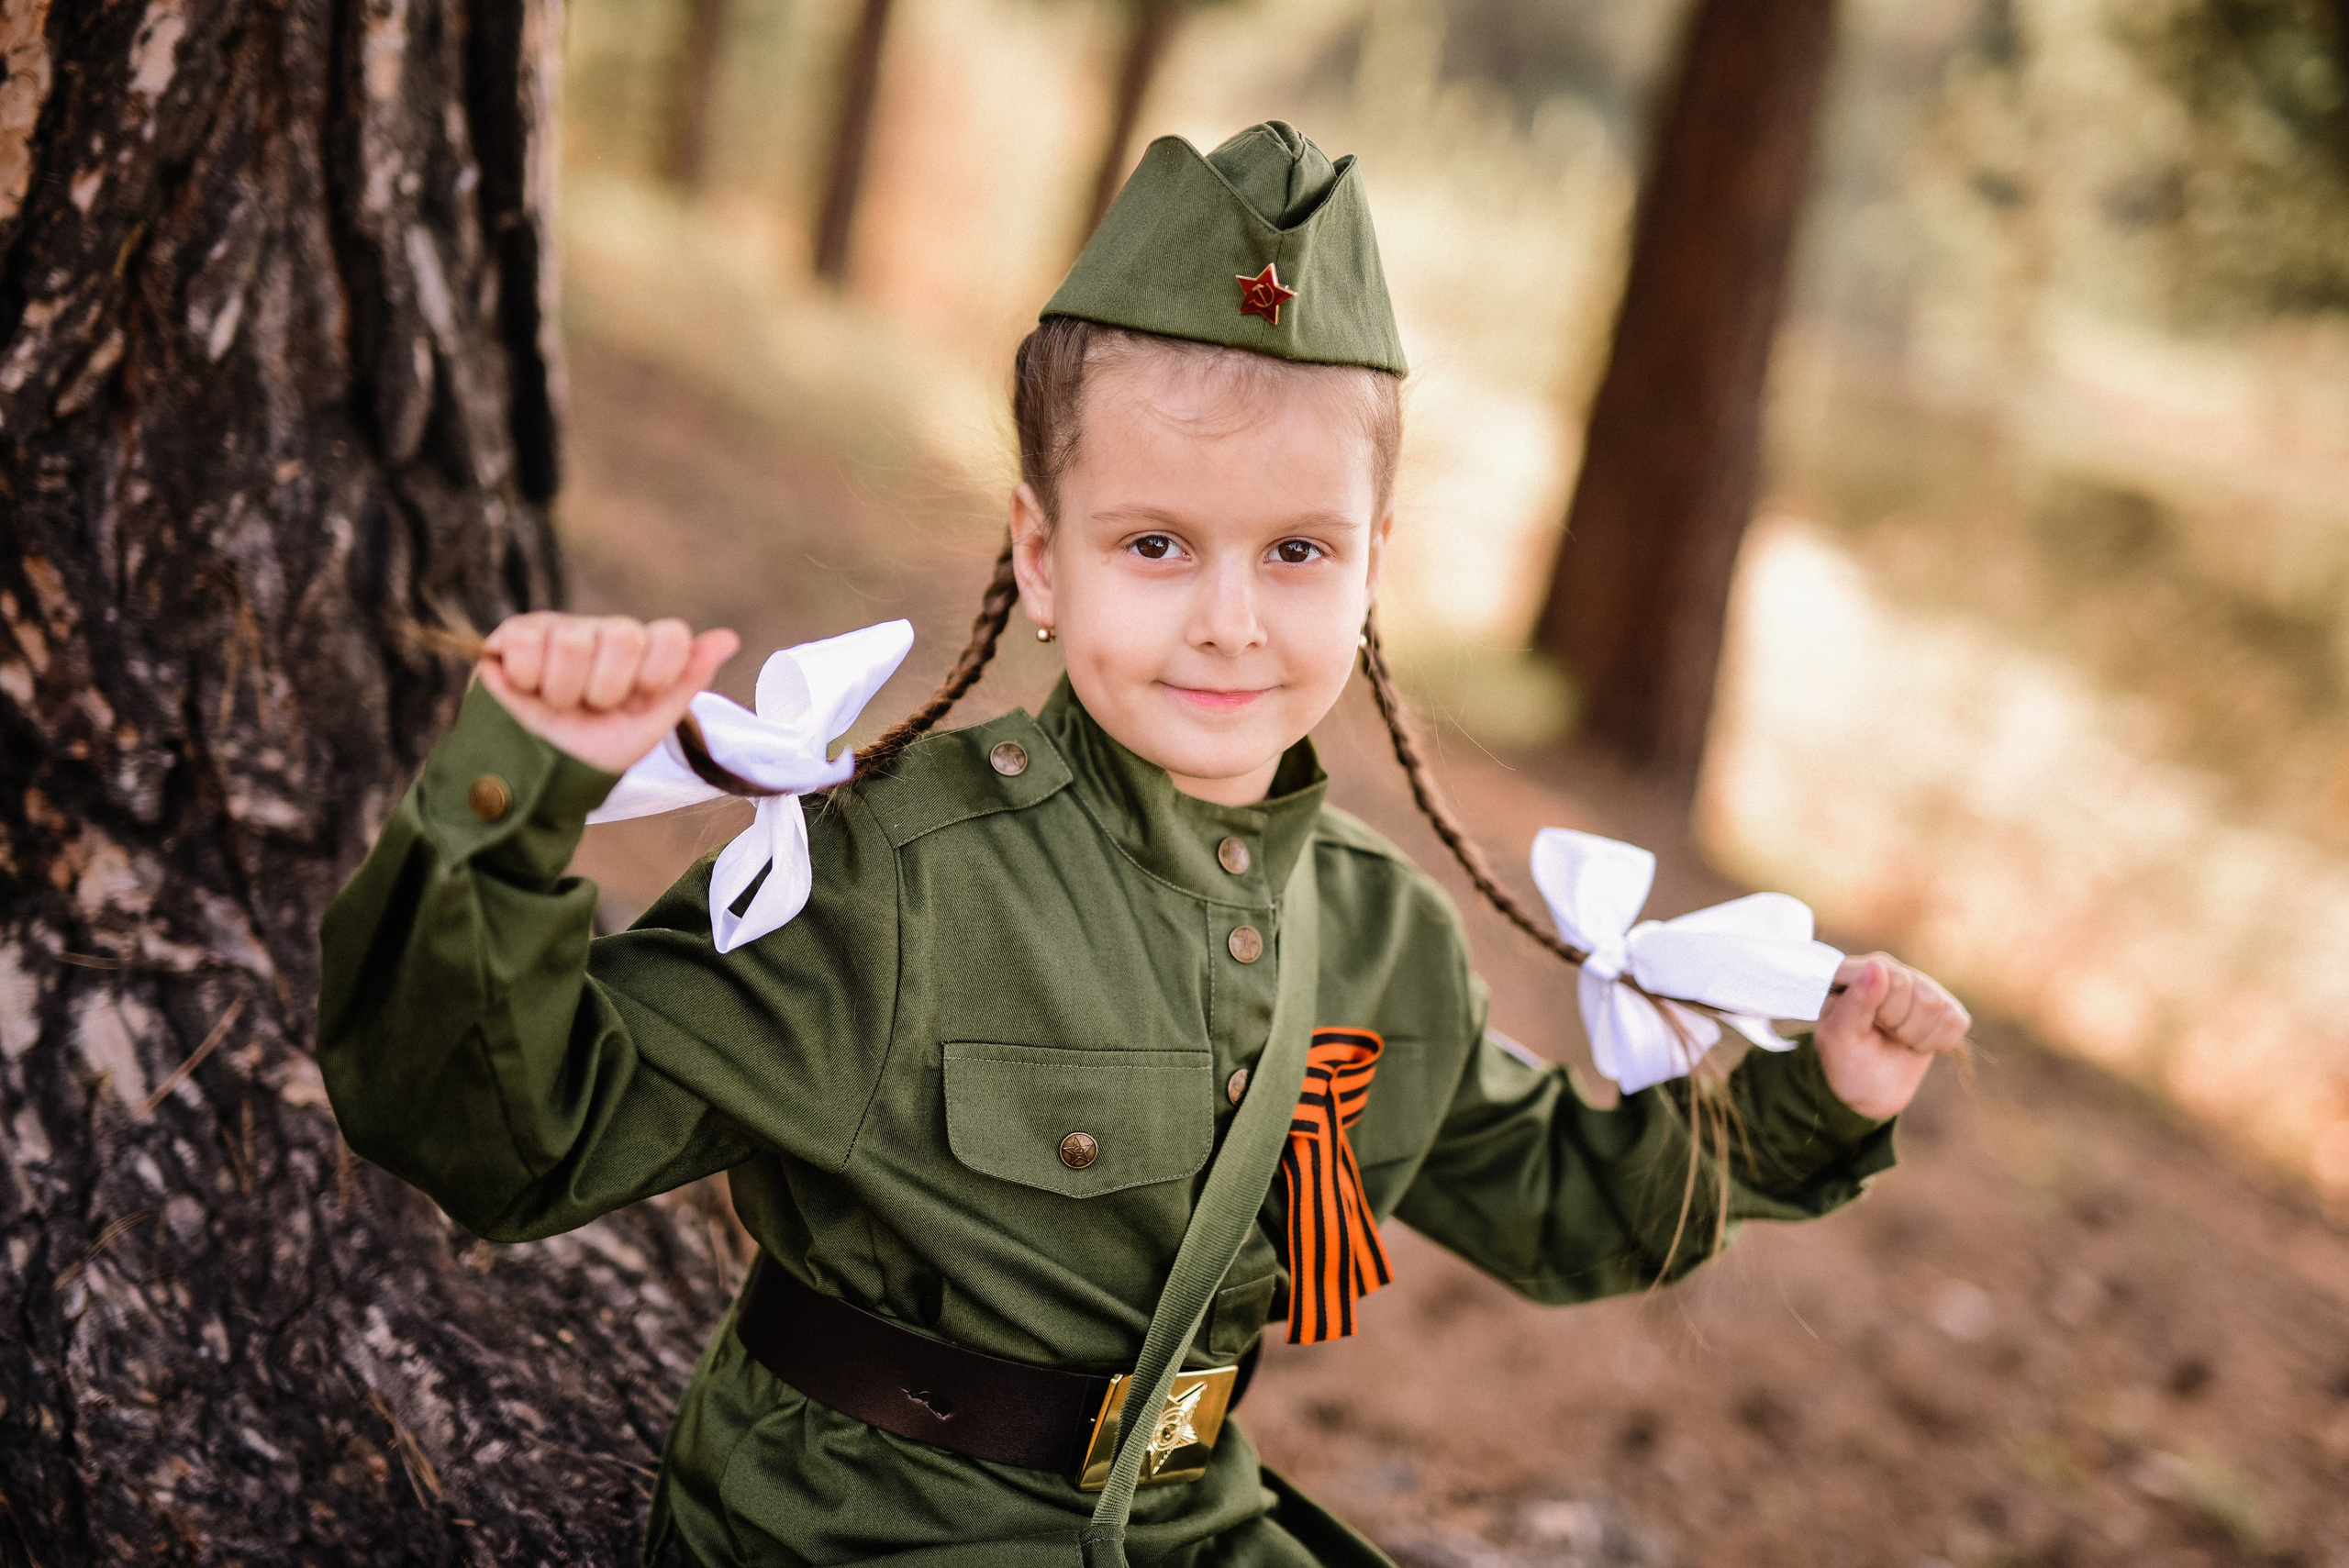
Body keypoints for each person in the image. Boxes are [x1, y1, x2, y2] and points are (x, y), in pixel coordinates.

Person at [318, 122, 1969, 1567]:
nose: (1231, 621)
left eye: (1300, 549)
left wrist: (1817, 1103)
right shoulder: (896, 871)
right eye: (1158, 543)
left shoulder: (1380, 933)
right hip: (863, 1526)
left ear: (1376, 562)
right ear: (1042, 556)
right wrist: (510, 810)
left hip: (1187, 1520)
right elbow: (513, 1138)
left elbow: (1560, 1205)